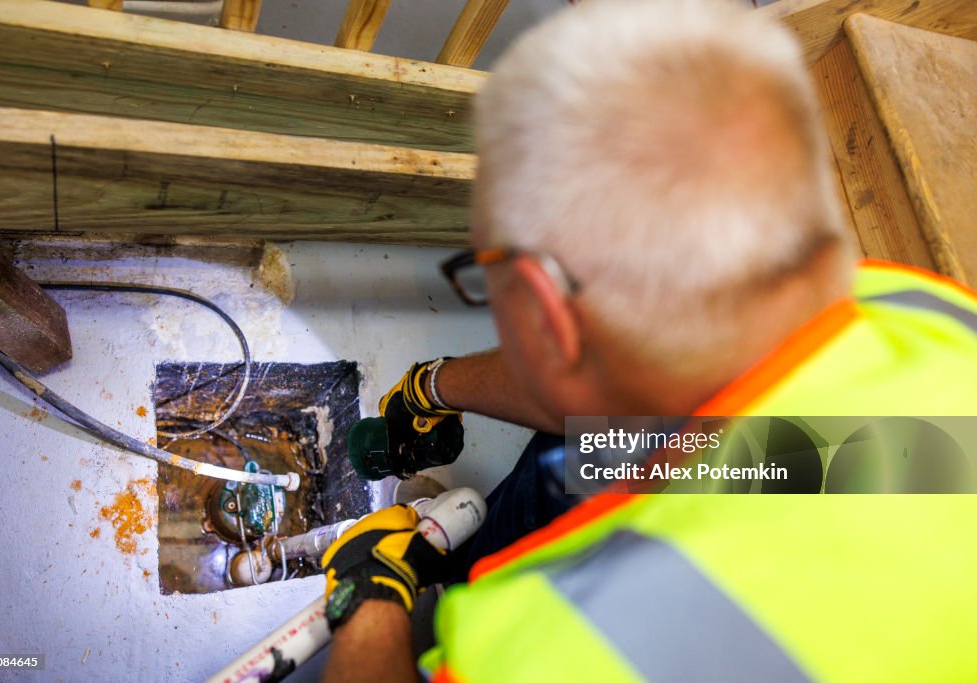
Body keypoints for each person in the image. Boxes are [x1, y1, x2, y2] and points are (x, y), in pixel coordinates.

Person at [319, 0, 977, 681]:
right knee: (586, 450)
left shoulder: (568, 648)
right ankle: (467, 551)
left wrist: (370, 598)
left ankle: (454, 581)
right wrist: (433, 384)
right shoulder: (919, 316)